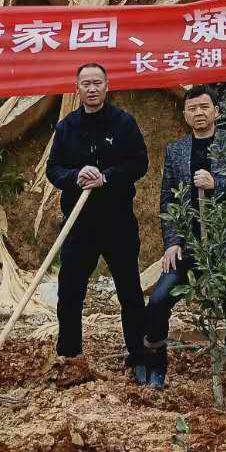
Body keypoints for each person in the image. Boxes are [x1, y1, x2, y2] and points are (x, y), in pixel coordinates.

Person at [143, 85, 226, 399]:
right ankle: (156, 368)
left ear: (216, 111)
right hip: (188, 245)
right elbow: (168, 200)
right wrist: (172, 242)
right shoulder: (176, 150)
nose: (199, 113)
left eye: (204, 107)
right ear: (185, 114)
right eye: (192, 109)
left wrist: (217, 183)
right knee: (158, 300)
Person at [46, 63, 151, 382]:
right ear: (76, 88)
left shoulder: (124, 123)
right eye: (85, 84)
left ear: (107, 86)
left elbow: (140, 163)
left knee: (129, 291)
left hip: (118, 220)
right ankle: (70, 357)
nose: (91, 89)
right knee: (70, 292)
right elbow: (53, 170)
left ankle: (139, 357)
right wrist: (76, 175)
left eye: (97, 83)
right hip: (79, 224)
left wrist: (107, 177)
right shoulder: (66, 127)